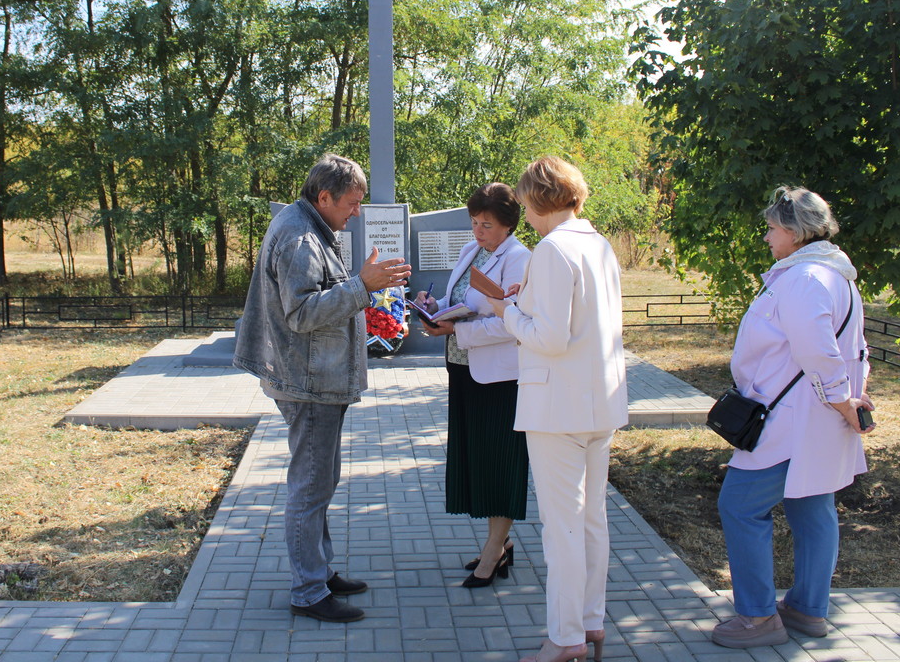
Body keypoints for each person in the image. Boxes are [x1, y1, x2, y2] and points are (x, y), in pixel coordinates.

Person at [233, 153, 411, 623]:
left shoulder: (307, 225)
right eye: (351, 203)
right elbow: (304, 313)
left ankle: (320, 569)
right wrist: (362, 286)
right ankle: (309, 591)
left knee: (320, 482)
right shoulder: (300, 237)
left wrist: (361, 285)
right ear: (324, 196)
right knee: (310, 488)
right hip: (309, 382)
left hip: (315, 379)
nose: (357, 213)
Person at [711, 186, 874, 649]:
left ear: (796, 232)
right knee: (811, 508)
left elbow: (820, 354)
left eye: (772, 228)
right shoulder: (833, 274)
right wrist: (848, 403)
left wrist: (845, 403)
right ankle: (807, 609)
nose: (766, 237)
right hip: (810, 418)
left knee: (740, 506)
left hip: (791, 420)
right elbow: (852, 351)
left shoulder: (806, 278)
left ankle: (759, 618)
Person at [489, 157, 628, 662]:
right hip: (600, 401)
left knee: (562, 526)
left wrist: (508, 312)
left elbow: (548, 336)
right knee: (591, 520)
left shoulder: (550, 250)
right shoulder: (598, 244)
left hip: (557, 406)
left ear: (537, 199)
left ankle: (564, 636)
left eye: (525, 202)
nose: (523, 212)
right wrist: (525, 302)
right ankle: (590, 622)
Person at [417, 183, 531, 588]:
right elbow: (459, 298)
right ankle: (500, 543)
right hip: (463, 369)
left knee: (500, 462)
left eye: (486, 224)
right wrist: (434, 308)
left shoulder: (519, 259)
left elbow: (511, 323)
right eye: (474, 222)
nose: (478, 231)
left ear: (508, 226)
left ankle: (494, 552)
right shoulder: (471, 252)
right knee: (478, 460)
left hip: (499, 378)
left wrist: (457, 331)